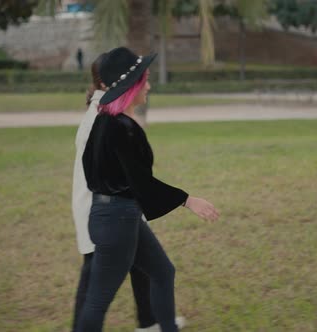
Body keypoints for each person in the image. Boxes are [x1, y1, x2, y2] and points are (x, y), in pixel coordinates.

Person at [76, 47, 219, 331]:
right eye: (147, 80)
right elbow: (142, 184)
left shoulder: (104, 121)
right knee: (97, 301)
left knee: (163, 272)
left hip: (116, 216)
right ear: (132, 86)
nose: (150, 86)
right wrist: (188, 200)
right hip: (117, 220)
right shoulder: (121, 128)